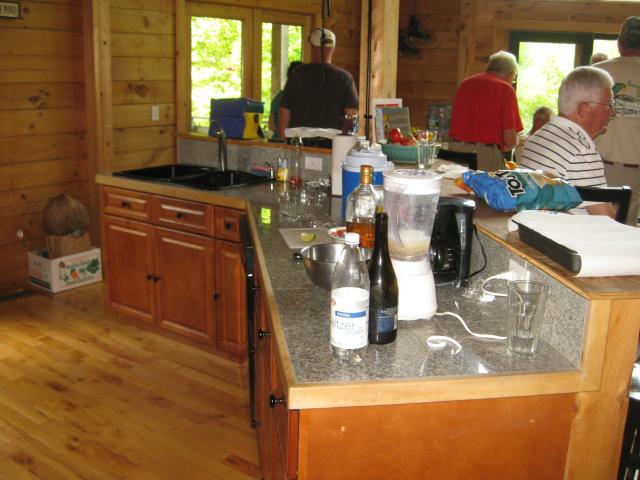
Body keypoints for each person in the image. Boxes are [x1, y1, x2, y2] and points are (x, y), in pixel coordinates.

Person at [520, 66, 616, 216]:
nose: (612, 112)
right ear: (584, 108)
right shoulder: (580, 151)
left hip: (532, 225)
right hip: (562, 230)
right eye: (608, 104)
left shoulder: (540, 135)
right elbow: (606, 219)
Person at [594, 16, 640, 225]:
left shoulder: (597, 72)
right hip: (634, 172)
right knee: (624, 232)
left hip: (598, 167)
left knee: (591, 229)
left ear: (619, 44)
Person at [278, 28, 359, 139]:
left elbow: (283, 117)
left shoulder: (296, 76)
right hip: (332, 145)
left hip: (300, 144)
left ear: (312, 48)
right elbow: (352, 118)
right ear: (333, 48)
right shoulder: (345, 79)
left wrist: (285, 144)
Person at [449, 50, 523, 171]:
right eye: (513, 78)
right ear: (510, 73)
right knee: (486, 184)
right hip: (484, 154)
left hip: (455, 150)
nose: (512, 81)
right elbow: (509, 139)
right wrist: (516, 143)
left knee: (458, 183)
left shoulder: (465, 84)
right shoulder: (505, 89)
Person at [269, 61, 302, 140]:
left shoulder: (279, 97)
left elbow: (271, 126)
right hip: (292, 142)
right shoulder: (304, 98)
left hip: (277, 141)